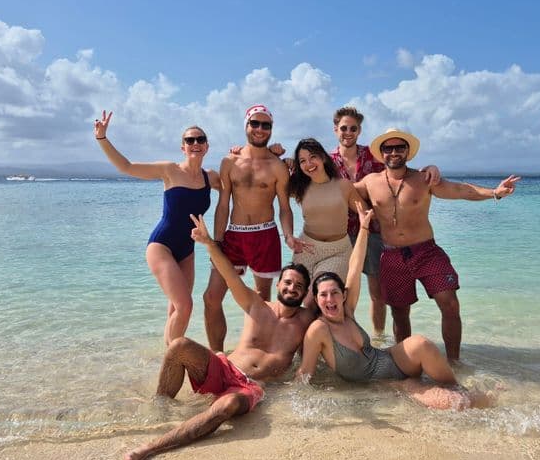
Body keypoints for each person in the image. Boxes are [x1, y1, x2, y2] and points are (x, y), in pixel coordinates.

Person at [123, 214, 314, 460]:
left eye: (299, 286)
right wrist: (209, 243)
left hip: (249, 386)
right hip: (223, 367)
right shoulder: (257, 305)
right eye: (288, 282)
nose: (292, 288)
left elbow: (337, 309)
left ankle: (152, 447)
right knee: (178, 345)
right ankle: (160, 408)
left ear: (305, 294)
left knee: (227, 405)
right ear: (278, 284)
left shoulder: (307, 321)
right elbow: (230, 276)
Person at [295, 206, 488, 410]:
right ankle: (478, 397)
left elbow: (354, 265)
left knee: (421, 344)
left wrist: (363, 227)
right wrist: (288, 402)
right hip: (389, 383)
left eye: (334, 292)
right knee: (458, 404)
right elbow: (305, 372)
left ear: (343, 295)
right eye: (323, 295)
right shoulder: (319, 330)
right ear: (316, 300)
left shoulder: (347, 310)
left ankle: (457, 386)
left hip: (391, 359)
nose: (329, 298)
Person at [355, 128, 520, 360]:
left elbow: (460, 190)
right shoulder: (369, 183)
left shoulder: (424, 179)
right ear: (381, 153)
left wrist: (495, 192)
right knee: (400, 314)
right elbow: (339, 193)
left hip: (426, 252)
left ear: (407, 152)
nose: (393, 152)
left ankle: (454, 362)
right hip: (391, 256)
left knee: (450, 304)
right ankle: (406, 365)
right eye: (388, 148)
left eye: (399, 147)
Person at [94, 111, 220, 345]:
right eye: (189, 140)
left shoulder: (210, 177)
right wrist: (102, 138)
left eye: (200, 140)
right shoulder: (169, 170)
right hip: (161, 246)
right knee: (185, 306)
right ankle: (173, 361)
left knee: (176, 309)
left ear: (207, 147)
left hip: (187, 250)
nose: (195, 143)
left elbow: (241, 184)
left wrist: (243, 154)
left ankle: (170, 361)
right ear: (183, 147)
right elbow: (126, 167)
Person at [329, 107, 441, 336]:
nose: (348, 133)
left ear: (359, 131)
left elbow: (399, 172)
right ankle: (337, 339)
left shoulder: (373, 155)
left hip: (375, 230)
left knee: (377, 293)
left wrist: (429, 169)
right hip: (338, 232)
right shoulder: (326, 161)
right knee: (332, 290)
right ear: (335, 129)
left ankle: (378, 339)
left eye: (353, 128)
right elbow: (304, 177)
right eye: (343, 128)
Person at [203, 105, 296, 352]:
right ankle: (217, 356)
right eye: (255, 123)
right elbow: (223, 205)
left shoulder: (277, 165)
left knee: (261, 301)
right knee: (211, 298)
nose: (260, 129)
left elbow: (285, 207)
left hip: (265, 234)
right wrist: (217, 242)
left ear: (271, 130)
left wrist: (288, 235)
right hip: (233, 236)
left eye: (266, 125)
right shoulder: (229, 161)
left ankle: (257, 353)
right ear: (246, 125)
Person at [287, 138, 362, 292]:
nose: (309, 164)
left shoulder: (343, 186)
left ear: (322, 157)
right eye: (302, 161)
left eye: (313, 157)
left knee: (316, 297)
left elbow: (365, 213)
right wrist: (281, 159)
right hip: (306, 248)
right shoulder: (299, 187)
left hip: (338, 251)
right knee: (297, 298)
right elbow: (269, 184)